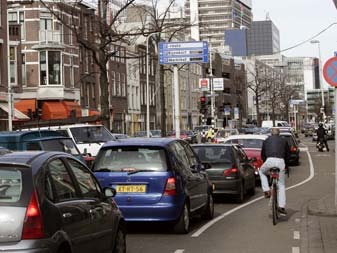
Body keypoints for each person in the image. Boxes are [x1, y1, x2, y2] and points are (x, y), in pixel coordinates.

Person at [259, 127, 290, 216]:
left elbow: (263, 155)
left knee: (261, 172)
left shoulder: (266, 141)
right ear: (279, 134)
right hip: (280, 162)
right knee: (281, 185)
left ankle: (266, 190)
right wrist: (287, 166)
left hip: (269, 160)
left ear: (271, 134)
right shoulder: (284, 141)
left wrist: (267, 163)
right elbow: (288, 155)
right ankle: (281, 206)